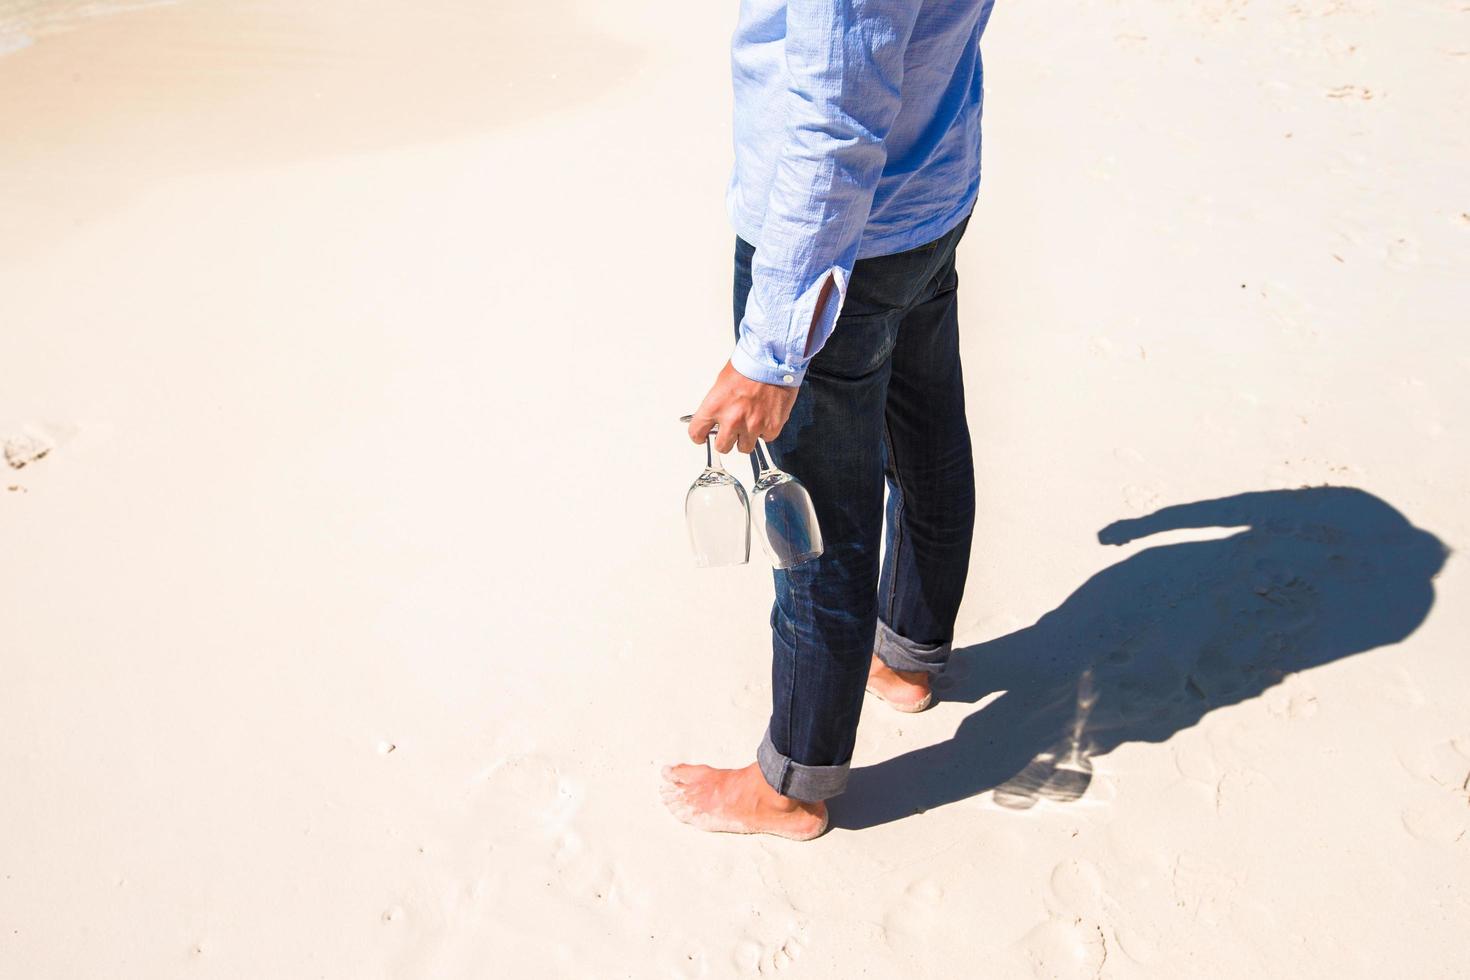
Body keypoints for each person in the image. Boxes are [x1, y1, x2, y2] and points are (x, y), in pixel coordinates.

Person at [660, 0, 997, 841]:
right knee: (925, 436)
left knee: (821, 526)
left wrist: (771, 350)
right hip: (932, 190)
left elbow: (833, 120)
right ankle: (908, 658)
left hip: (839, 249)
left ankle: (793, 785)